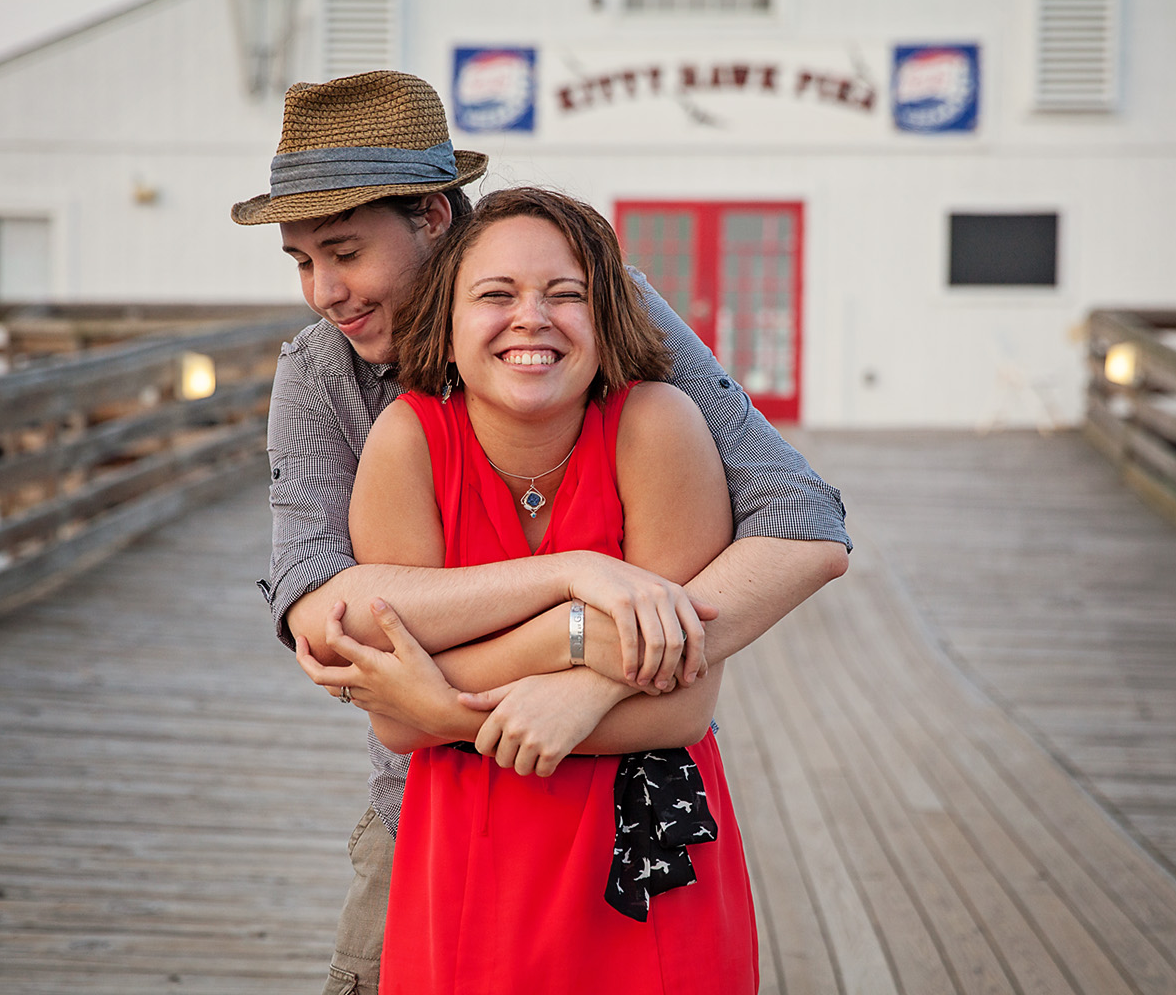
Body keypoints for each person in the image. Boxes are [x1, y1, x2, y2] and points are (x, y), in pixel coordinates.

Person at [231, 71, 850, 995]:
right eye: (302, 261)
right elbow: (328, 614)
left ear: (433, 218)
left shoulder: (600, 311)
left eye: (346, 251)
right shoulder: (326, 376)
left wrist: (577, 680)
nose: (324, 290)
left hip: (630, 804)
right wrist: (578, 583)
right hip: (428, 815)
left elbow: (802, 522)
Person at [325, 185, 756, 993]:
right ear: (447, 327)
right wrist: (582, 641)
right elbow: (388, 711)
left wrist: (450, 706)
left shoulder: (655, 425)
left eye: (567, 295)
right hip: (465, 857)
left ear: (605, 322)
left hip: (641, 854)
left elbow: (681, 701)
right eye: (495, 295)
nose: (532, 317)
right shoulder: (408, 440)